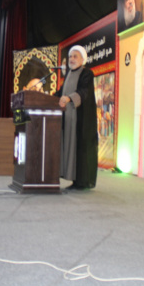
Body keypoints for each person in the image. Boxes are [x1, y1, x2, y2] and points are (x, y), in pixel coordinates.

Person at [55, 45, 98, 190]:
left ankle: (82, 182)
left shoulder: (87, 73)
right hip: (68, 119)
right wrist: (49, 97)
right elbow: (61, 92)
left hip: (81, 120)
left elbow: (84, 91)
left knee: (80, 150)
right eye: (70, 56)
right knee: (71, 148)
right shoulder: (68, 74)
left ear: (82, 59)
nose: (72, 59)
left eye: (75, 56)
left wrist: (69, 98)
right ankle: (74, 180)